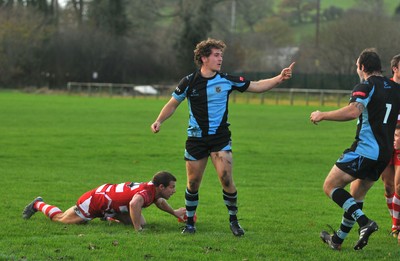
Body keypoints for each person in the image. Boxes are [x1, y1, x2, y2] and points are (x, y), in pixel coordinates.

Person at [150, 38, 295, 236]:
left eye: (221, 55)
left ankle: (234, 221)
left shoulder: (226, 80)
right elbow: (172, 103)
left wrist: (279, 78)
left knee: (226, 179)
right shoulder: (189, 81)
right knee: (192, 184)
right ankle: (190, 223)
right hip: (196, 139)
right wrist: (159, 120)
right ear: (204, 58)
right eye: (216, 55)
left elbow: (257, 85)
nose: (220, 59)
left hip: (220, 139)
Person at [310, 48, 400, 250]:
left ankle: (365, 223)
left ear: (362, 67)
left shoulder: (366, 86)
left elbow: (353, 111)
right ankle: (337, 240)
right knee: (356, 195)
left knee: (330, 186)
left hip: (365, 150)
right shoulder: (395, 88)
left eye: (356, 65)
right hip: (384, 154)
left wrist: (322, 114)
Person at [22, 171, 186, 232]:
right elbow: (134, 204)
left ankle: (109, 216)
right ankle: (38, 204)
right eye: (172, 187)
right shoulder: (145, 192)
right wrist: (138, 230)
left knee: (141, 221)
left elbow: (160, 202)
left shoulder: (153, 189)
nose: (174, 190)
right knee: (61, 220)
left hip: (110, 202)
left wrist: (175, 213)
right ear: (161, 186)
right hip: (94, 202)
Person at [380, 54, 400, 242]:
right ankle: (394, 222)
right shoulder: (385, 87)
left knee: (399, 186)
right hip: (385, 141)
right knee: (388, 187)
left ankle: (396, 226)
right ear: (395, 68)